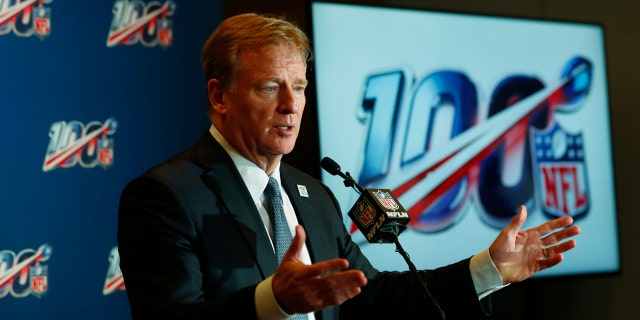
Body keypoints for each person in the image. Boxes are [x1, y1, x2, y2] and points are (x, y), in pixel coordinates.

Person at [117, 12, 581, 320]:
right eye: (269, 88)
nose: (290, 106)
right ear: (220, 96)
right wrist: (272, 301)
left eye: (298, 87)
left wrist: (488, 269)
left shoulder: (312, 195)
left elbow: (371, 298)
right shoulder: (166, 195)